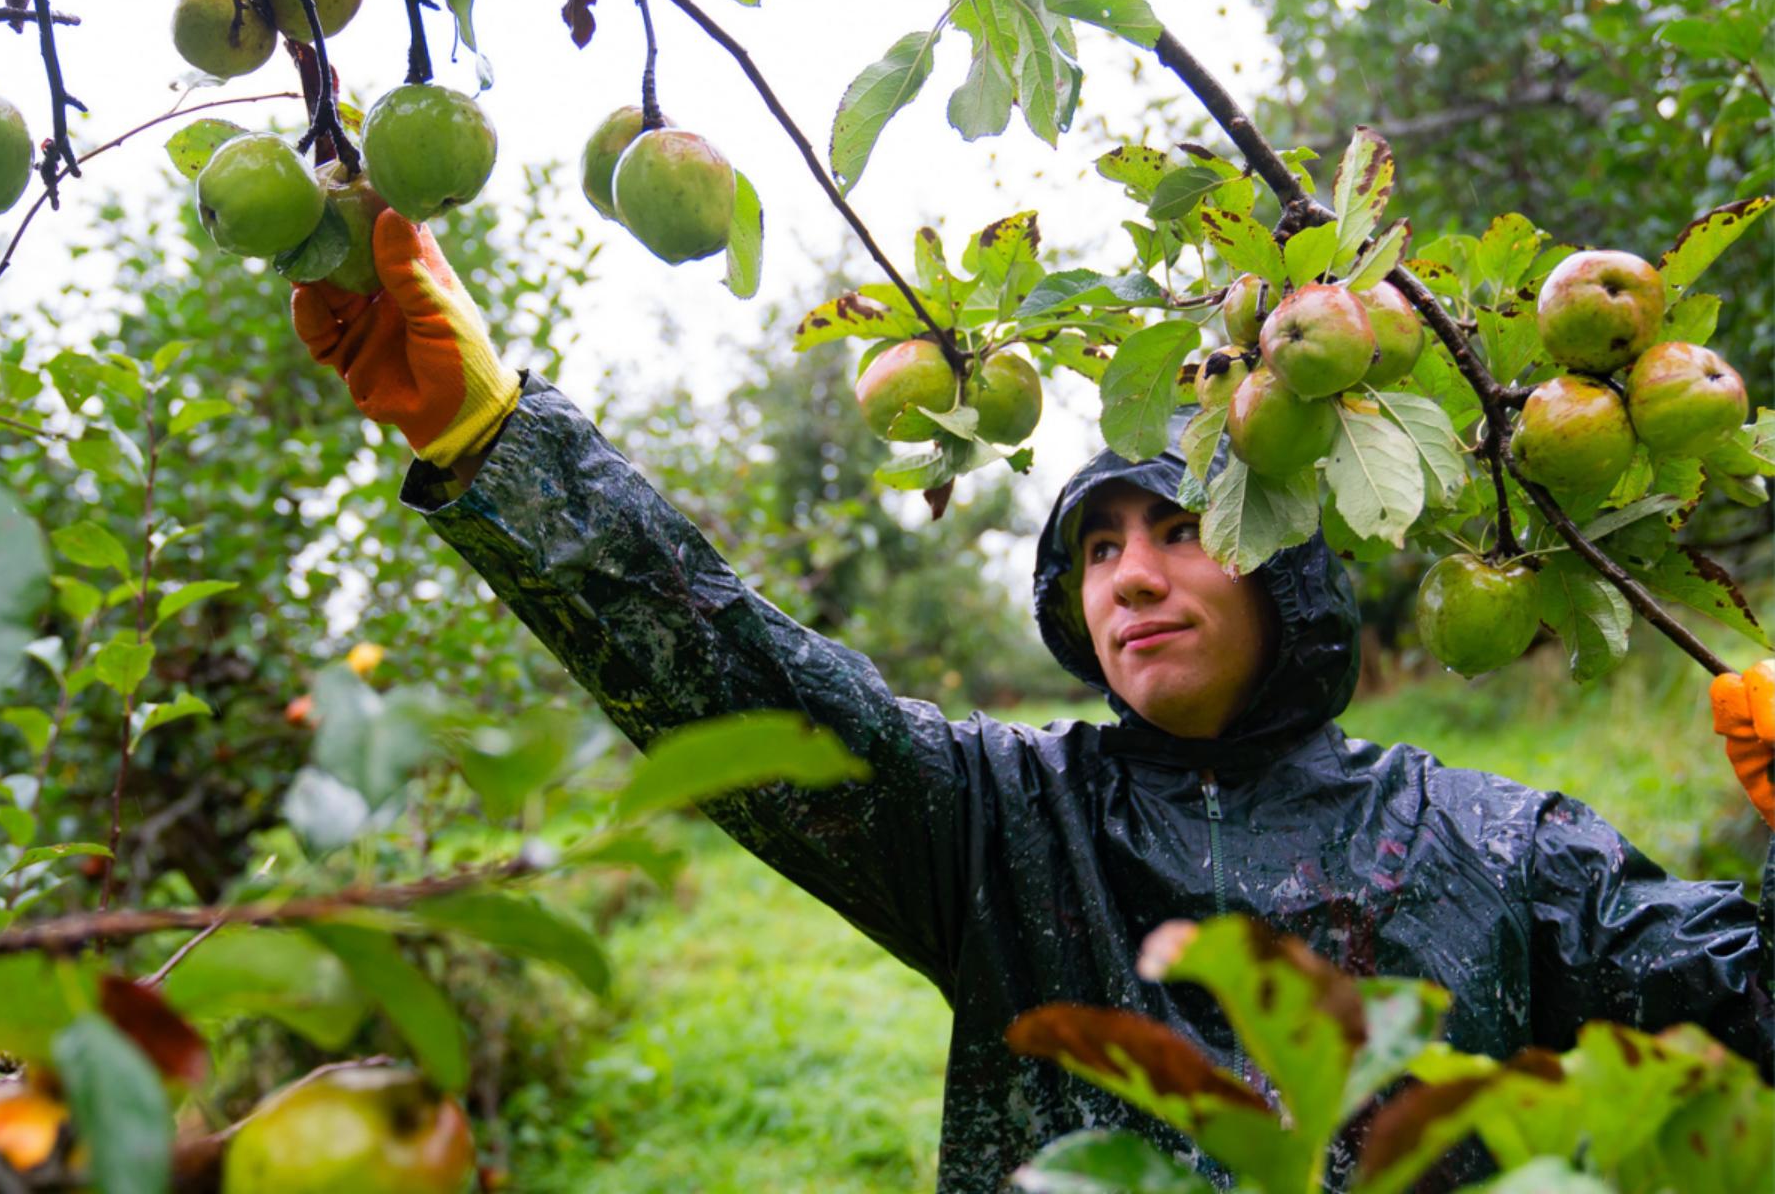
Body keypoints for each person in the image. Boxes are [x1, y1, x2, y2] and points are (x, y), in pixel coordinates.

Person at [291, 212, 1775, 1192]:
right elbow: (735, 665)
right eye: (1094, 550)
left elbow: (1742, 992)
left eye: (1178, 530)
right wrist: (496, 444)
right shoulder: (1003, 820)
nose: (1127, 578)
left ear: (1284, 562)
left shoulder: (1495, 843)